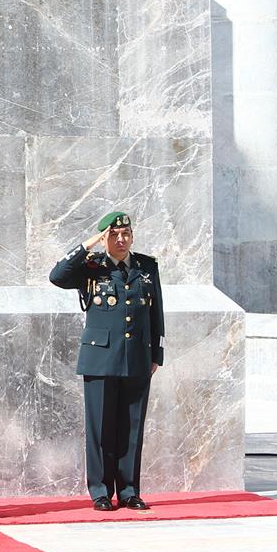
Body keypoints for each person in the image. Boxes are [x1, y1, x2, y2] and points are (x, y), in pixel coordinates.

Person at [49, 211, 164, 511]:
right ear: (105, 239)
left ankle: (128, 491)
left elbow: (156, 313)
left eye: (126, 234)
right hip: (100, 358)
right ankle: (100, 490)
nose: (122, 239)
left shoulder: (147, 267)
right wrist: (90, 244)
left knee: (132, 427)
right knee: (100, 427)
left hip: (138, 357)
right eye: (114, 235)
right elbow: (57, 275)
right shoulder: (91, 267)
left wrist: (156, 354)